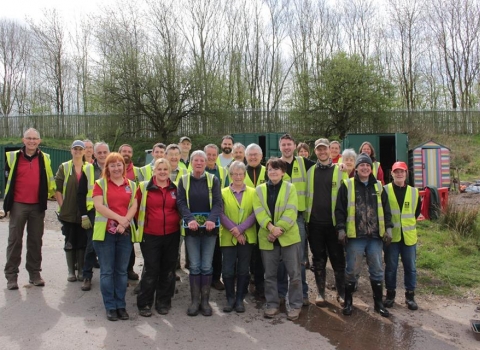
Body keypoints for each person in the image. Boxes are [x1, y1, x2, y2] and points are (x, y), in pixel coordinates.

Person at [335, 153, 393, 317]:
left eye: (367, 165)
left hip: (375, 237)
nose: (365, 168)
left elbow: (387, 210)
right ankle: (348, 302)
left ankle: (378, 304)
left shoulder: (379, 187)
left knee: (377, 270)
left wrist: (388, 228)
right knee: (352, 270)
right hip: (355, 237)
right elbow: (339, 210)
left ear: (371, 168)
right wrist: (340, 229)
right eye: (361, 165)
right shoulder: (347, 185)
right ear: (356, 168)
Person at [4, 128, 55, 290]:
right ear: (23, 140)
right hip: (18, 204)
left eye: (35, 138)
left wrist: (54, 196)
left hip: (37, 206)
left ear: (39, 141)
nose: (32, 141)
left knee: (35, 241)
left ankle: (34, 274)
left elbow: (50, 180)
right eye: (29, 138)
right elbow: (7, 181)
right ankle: (11, 276)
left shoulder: (45, 158)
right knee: (14, 241)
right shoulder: (13, 157)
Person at [253, 157, 303, 321]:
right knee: (270, 275)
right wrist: (270, 228)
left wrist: (278, 229)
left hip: (288, 236)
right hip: (267, 236)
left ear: (283, 172)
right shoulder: (259, 190)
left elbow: (291, 211)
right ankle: (272, 304)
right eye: (270, 169)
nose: (273, 172)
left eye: (276, 169)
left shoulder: (291, 188)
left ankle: (295, 305)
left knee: (294, 273)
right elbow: (259, 211)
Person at [92, 152, 139, 321]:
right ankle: (110, 307)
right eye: (112, 165)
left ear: (124, 167)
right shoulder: (100, 184)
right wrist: (120, 219)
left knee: (121, 272)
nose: (116, 168)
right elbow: (99, 206)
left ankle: (121, 305)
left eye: (119, 164)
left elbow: (134, 206)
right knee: (107, 271)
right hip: (105, 235)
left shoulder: (132, 185)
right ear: (107, 168)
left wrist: (125, 222)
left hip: (124, 234)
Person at [177, 150, 222, 317]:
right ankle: (195, 301)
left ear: (205, 163)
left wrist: (211, 219)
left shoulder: (213, 180)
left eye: (202, 161)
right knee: (194, 265)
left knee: (206, 265)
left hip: (210, 229)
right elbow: (180, 202)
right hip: (192, 230)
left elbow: (218, 202)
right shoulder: (184, 180)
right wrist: (189, 219)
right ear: (192, 163)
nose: (199, 163)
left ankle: (205, 301)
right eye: (196, 160)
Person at [305, 138, 348, 307]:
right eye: (319, 149)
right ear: (315, 151)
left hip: (334, 224)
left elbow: (346, 197)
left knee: (338, 260)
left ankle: (341, 293)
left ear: (330, 150)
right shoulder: (310, 172)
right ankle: (321, 293)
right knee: (318, 260)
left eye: (325, 149)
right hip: (315, 224)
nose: (322, 152)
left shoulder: (340, 170)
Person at [136, 158, 181, 317]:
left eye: (165, 169)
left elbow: (180, 208)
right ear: (154, 170)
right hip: (150, 235)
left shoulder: (176, 188)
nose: (162, 172)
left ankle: (163, 302)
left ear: (170, 171)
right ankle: (145, 303)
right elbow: (136, 210)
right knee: (151, 269)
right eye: (159, 169)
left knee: (168, 269)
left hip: (172, 234)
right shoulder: (144, 187)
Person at [278, 133, 315, 305]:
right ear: (280, 147)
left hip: (299, 218)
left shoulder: (303, 163)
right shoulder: (275, 165)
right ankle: (280, 293)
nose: (286, 147)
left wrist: (342, 166)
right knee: (279, 258)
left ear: (294, 146)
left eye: (289, 144)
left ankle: (303, 293)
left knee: (299, 258)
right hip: (280, 218)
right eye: (283, 144)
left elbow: (324, 167)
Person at [383, 161, 421, 311]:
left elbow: (416, 212)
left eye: (402, 171)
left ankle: (410, 296)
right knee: (391, 267)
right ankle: (390, 295)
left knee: (410, 268)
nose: (399, 174)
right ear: (391, 174)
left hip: (409, 237)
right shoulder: (385, 190)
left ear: (406, 174)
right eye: (396, 171)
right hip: (392, 237)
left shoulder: (414, 192)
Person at [219, 161, 257, 313]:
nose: (238, 177)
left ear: (245, 175)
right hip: (228, 237)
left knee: (243, 269)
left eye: (241, 174)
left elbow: (255, 214)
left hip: (247, 237)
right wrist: (235, 231)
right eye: (235, 174)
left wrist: (240, 230)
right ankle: (230, 298)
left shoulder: (254, 192)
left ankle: (240, 298)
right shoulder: (222, 193)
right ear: (231, 176)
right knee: (227, 269)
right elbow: (220, 214)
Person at [55, 140, 94, 283]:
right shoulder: (64, 167)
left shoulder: (89, 167)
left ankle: (81, 270)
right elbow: (57, 188)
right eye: (75, 149)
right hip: (69, 211)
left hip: (85, 210)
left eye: (80, 149)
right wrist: (62, 205)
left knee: (83, 240)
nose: (77, 151)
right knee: (70, 240)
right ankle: (71, 271)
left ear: (84, 151)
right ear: (71, 150)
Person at [77, 141, 110, 291]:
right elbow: (81, 193)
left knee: (110, 246)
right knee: (92, 245)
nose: (102, 155)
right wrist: (83, 214)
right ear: (94, 154)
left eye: (105, 152)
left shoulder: (115, 167)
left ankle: (110, 277)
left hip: (111, 212)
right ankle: (87, 276)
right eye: (99, 152)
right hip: (93, 212)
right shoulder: (88, 169)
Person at [244, 143, 268, 298]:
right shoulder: (238, 171)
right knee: (246, 253)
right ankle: (244, 284)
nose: (253, 157)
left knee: (260, 254)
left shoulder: (268, 171)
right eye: (250, 155)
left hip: (263, 220)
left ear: (261, 156)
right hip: (244, 220)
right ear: (246, 156)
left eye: (256, 154)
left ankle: (259, 285)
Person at [204, 144, 228, 291]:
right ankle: (204, 278)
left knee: (217, 249)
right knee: (203, 248)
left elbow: (225, 192)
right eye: (209, 154)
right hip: (200, 214)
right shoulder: (197, 169)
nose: (211, 157)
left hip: (217, 214)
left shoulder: (223, 172)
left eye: (214, 155)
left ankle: (215, 278)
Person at [118, 143, 141, 280]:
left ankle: (129, 269)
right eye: (124, 151)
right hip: (116, 212)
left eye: (129, 151)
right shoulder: (114, 168)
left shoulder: (138, 171)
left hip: (132, 212)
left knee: (129, 242)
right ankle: (120, 271)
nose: (126, 153)